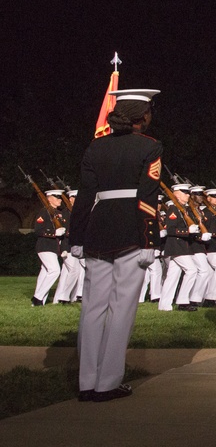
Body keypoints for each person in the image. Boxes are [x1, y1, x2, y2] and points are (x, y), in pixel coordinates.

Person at [69, 88, 162, 402]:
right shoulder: (149, 146)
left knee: (93, 307)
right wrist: (150, 239)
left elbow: (84, 197)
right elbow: (148, 197)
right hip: (130, 229)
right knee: (122, 309)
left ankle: (86, 382)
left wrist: (77, 237)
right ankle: (107, 382)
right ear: (142, 115)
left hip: (98, 226)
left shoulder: (95, 147)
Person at [32, 189, 66, 306]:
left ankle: (40, 300)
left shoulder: (57, 213)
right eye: (57, 198)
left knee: (45, 272)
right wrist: (54, 233)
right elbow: (38, 230)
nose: (60, 200)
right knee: (55, 270)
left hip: (53, 247)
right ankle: (37, 298)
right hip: (45, 246)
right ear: (49, 199)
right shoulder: (44, 212)